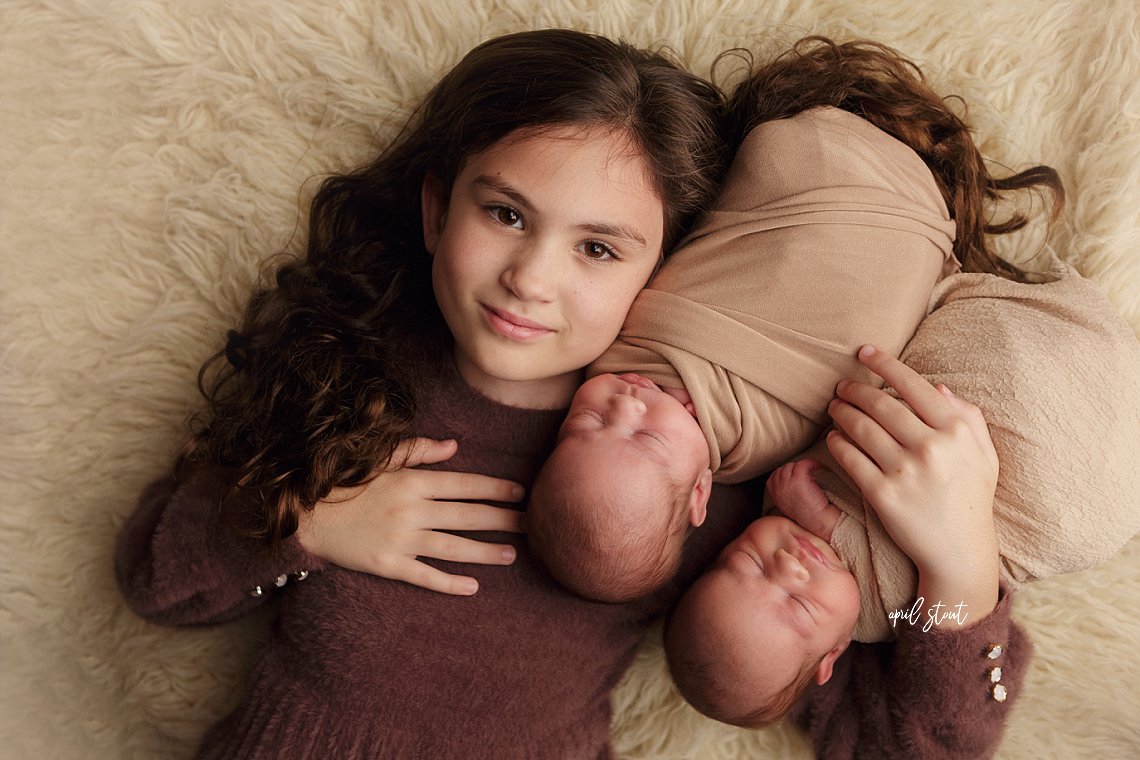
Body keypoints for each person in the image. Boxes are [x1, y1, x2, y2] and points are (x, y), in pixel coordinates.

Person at [114, 29, 752, 759]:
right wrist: (312, 521)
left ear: (662, 272)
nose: (531, 279)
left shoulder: (682, 468)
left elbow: (873, 721)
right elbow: (152, 578)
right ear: (436, 212)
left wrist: (921, 559)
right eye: (506, 215)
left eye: (597, 249)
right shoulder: (344, 377)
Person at [527, 37, 1061, 604]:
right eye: (648, 437)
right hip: (907, 217)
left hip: (817, 159)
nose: (624, 404)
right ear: (699, 492)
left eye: (586, 426)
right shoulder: (763, 450)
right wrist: (960, 575)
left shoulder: (597, 352)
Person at [666, 346, 1035, 760]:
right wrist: (962, 570)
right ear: (831, 656)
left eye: (747, 561)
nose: (789, 566)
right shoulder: (886, 620)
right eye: (799, 606)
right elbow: (940, 746)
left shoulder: (677, 544)